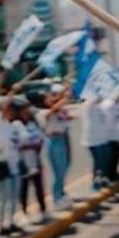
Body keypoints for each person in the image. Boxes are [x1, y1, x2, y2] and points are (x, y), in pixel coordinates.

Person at [0, 96, 22, 235]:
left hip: (14, 165)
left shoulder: (9, 125)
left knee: (13, 198)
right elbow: (3, 107)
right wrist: (11, 94)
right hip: (3, 165)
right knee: (3, 198)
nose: (12, 112)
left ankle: (10, 222)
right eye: (10, 109)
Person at [40, 83, 74, 211]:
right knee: (58, 171)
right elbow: (52, 111)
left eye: (57, 96)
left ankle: (61, 192)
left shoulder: (61, 110)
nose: (56, 98)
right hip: (53, 141)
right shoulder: (44, 111)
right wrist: (65, 97)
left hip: (63, 138)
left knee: (65, 167)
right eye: (53, 95)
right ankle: (56, 198)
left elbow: (65, 118)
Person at [17, 99, 49, 223]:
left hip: (35, 160)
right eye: (23, 110)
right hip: (22, 162)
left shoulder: (33, 124)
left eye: (27, 109)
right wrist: (27, 146)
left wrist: (36, 146)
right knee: (23, 189)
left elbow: (40, 139)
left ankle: (43, 210)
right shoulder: (16, 125)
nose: (26, 112)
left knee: (39, 187)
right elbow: (15, 144)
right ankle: (24, 212)